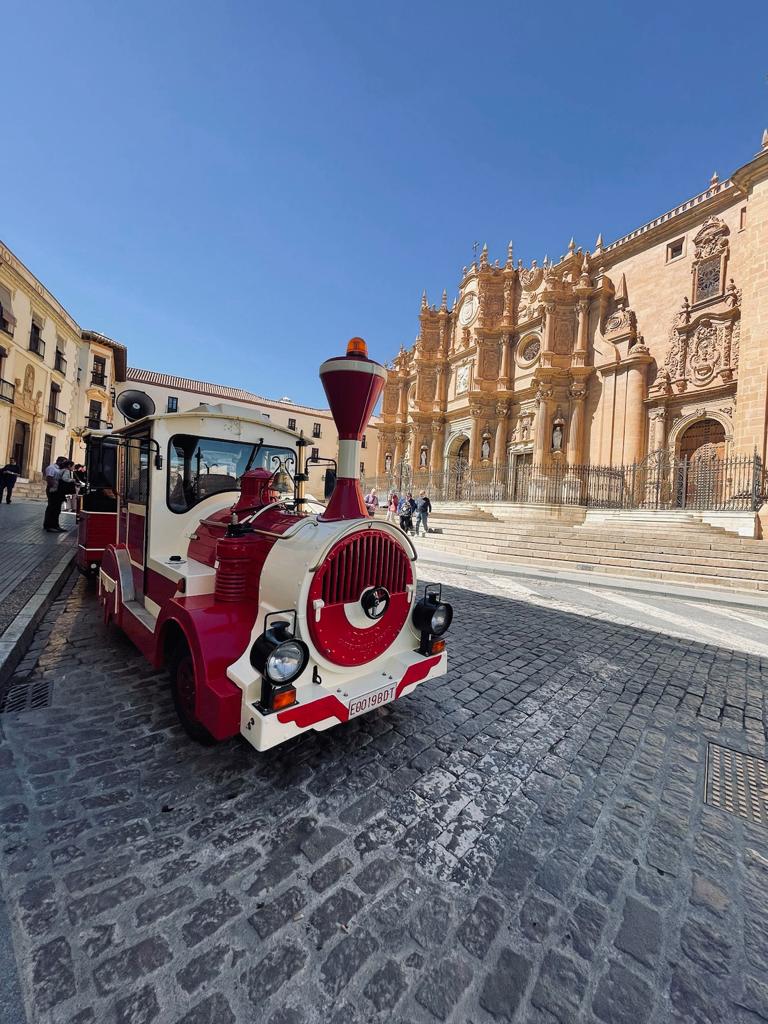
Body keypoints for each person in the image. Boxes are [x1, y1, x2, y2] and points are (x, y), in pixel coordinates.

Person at [43, 456, 67, 532]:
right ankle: (49, 525)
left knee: (57, 509)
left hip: (58, 491)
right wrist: (54, 488)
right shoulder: (51, 468)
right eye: (64, 462)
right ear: (60, 461)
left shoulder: (60, 469)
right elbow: (49, 479)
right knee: (52, 508)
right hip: (53, 490)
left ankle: (55, 525)